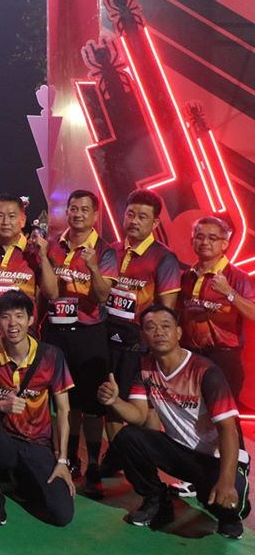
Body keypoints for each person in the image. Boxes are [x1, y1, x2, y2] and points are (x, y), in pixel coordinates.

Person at [97, 304, 251, 539]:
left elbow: (228, 430)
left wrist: (227, 481)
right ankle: (157, 500)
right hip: (179, 452)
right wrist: (114, 401)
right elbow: (139, 415)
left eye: (166, 326)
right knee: (128, 437)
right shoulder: (145, 368)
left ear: (178, 332)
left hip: (217, 458)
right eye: (151, 327)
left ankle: (230, 517)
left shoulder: (206, 372)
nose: (159, 332)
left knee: (229, 504)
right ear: (143, 336)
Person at [0, 289, 75, 527]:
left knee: (62, 515)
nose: (12, 323)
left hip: (37, 443)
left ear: (31, 319)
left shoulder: (52, 356)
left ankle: (22, 481)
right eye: (5, 317)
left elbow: (63, 411)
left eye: (19, 316)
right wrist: (2, 405)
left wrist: (62, 461)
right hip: (3, 440)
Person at [43, 190, 117, 495]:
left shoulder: (105, 250)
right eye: (73, 208)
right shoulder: (53, 244)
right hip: (57, 331)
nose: (78, 214)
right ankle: (69, 457)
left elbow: (102, 295)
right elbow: (48, 291)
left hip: (89, 332)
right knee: (65, 400)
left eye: (85, 209)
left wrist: (94, 267)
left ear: (95, 215)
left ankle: (94, 464)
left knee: (93, 404)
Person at [102, 189, 180, 472]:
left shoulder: (164, 257)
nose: (134, 221)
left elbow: (166, 309)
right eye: (130, 214)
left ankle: (147, 464)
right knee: (109, 402)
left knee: (144, 407)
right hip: (107, 337)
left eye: (143, 217)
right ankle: (118, 458)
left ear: (155, 222)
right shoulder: (110, 250)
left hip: (139, 344)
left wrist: (154, 343)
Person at [0, 194, 57, 353]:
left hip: (23, 341)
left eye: (12, 216)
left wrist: (43, 257)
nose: (5, 222)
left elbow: (52, 294)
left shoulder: (35, 253)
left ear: (23, 220)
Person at [178, 216, 255, 400]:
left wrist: (229, 293)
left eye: (212, 238)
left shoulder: (238, 277)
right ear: (192, 241)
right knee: (190, 413)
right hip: (189, 355)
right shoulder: (186, 276)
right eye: (200, 237)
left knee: (223, 415)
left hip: (223, 357)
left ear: (225, 244)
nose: (205, 242)